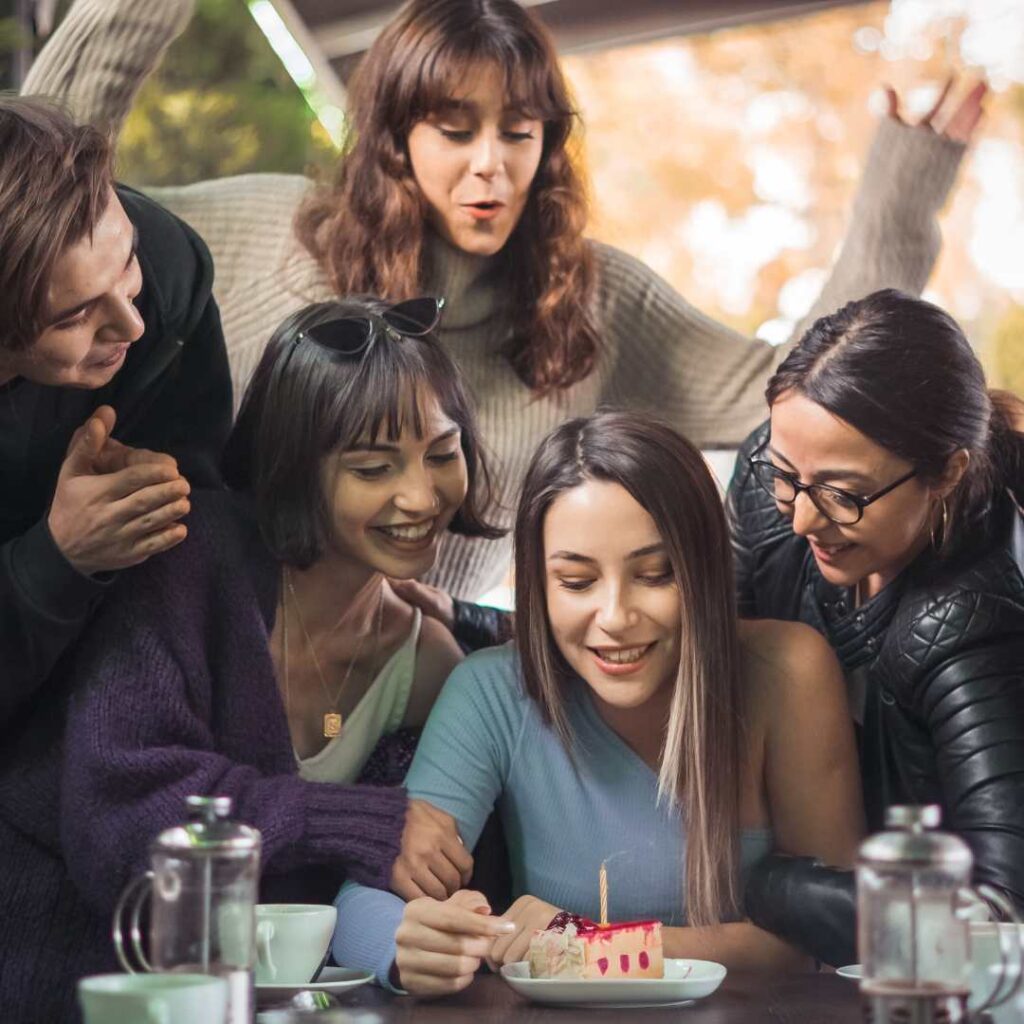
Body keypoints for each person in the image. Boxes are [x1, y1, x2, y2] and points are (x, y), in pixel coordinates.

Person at [23, 0, 984, 612]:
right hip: (201, 654)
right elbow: (43, 195)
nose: (491, 166)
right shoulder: (260, 229)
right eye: (455, 130)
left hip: (409, 681)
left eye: (518, 133)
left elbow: (798, 387)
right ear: (395, 139)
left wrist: (903, 186)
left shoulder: (590, 299)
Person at [0, 296, 499, 1022]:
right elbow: (122, 822)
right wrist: (355, 820)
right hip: (57, 969)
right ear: (297, 467)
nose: (421, 495)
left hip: (244, 1001)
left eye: (443, 454)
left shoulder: (428, 667)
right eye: (372, 466)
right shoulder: (189, 557)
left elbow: (382, 886)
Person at [332, 411, 864, 994]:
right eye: (577, 582)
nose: (615, 619)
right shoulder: (491, 692)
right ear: (536, 583)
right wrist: (406, 943)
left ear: (704, 569)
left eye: (656, 574)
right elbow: (362, 902)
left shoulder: (787, 672)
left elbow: (830, 943)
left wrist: (595, 948)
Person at [726, 289, 1024, 966]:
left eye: (843, 494)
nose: (801, 519)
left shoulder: (969, 623)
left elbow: (1000, 922)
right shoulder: (767, 486)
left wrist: (773, 884)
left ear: (946, 472)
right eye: (785, 475)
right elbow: (695, 643)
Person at [0, 96, 232, 724]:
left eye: (125, 260)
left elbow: (211, 515)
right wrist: (57, 559)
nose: (131, 322)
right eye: (75, 315)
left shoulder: (166, 278)